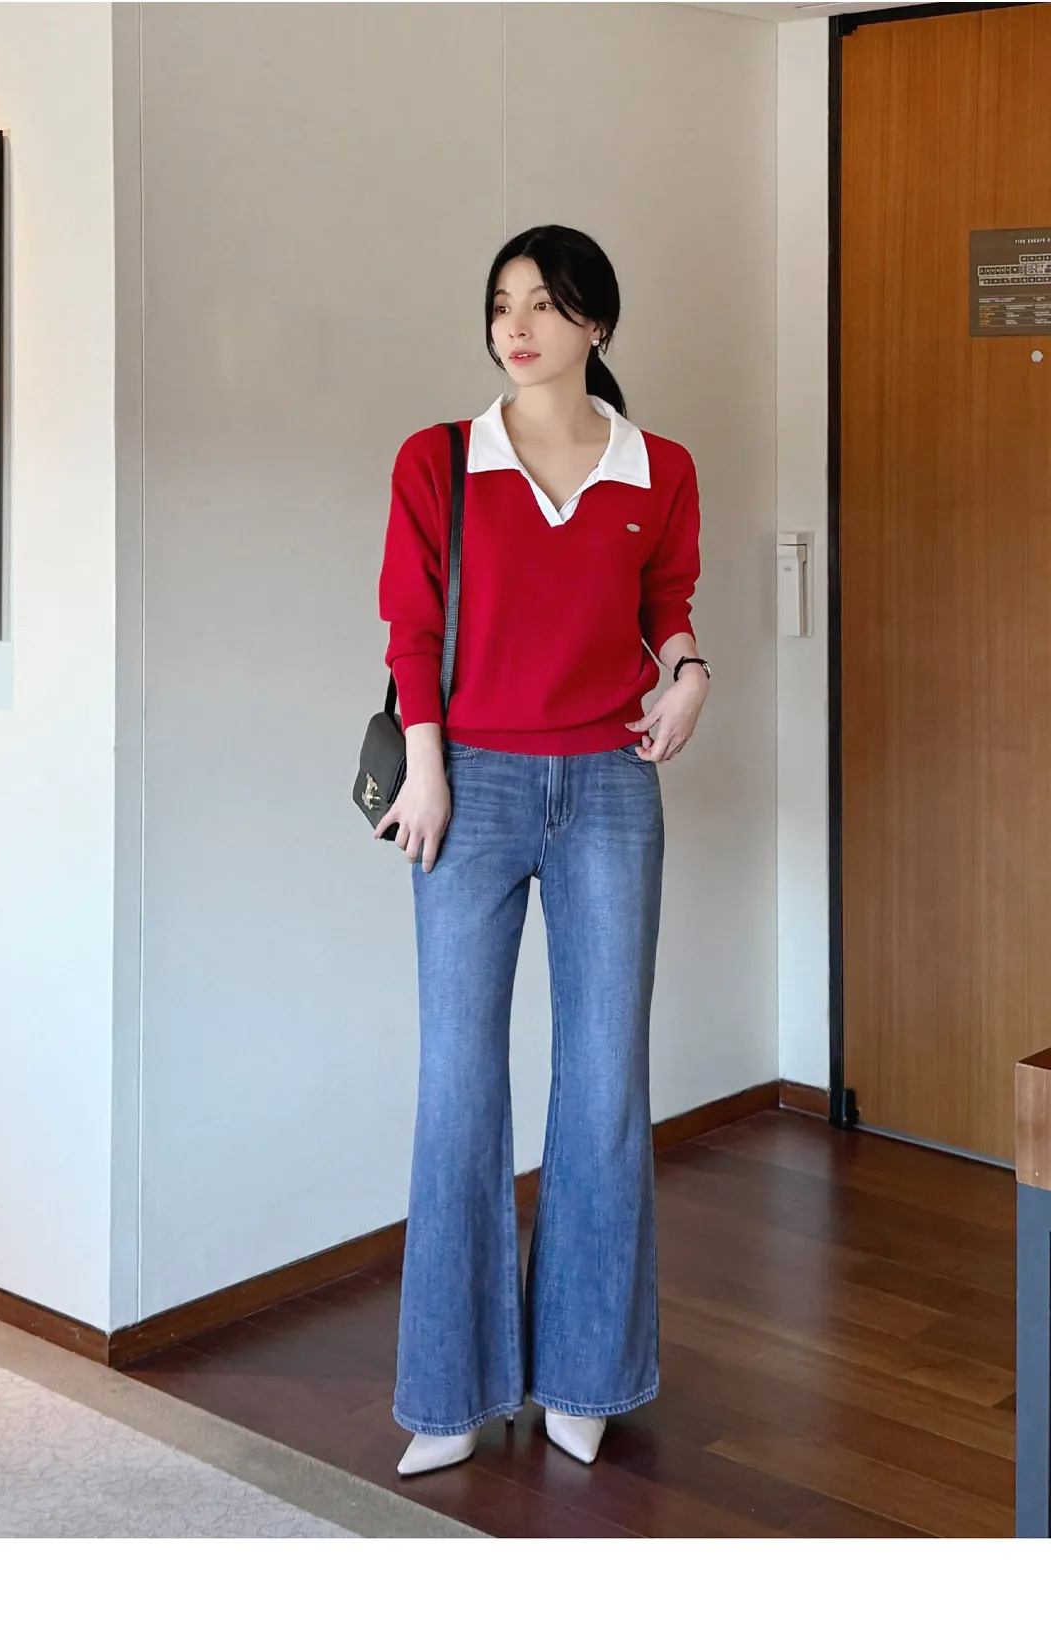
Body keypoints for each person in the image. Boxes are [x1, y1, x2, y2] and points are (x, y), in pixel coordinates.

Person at [373, 224, 709, 1478]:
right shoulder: (439, 459)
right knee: (459, 1082)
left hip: (612, 786)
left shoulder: (658, 467)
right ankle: (449, 1392)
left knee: (604, 1081)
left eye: (547, 304)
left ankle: (585, 1374)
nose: (516, 326)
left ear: (596, 324)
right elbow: (412, 624)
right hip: (470, 785)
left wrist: (690, 671)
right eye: (502, 302)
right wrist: (427, 767)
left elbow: (667, 602)